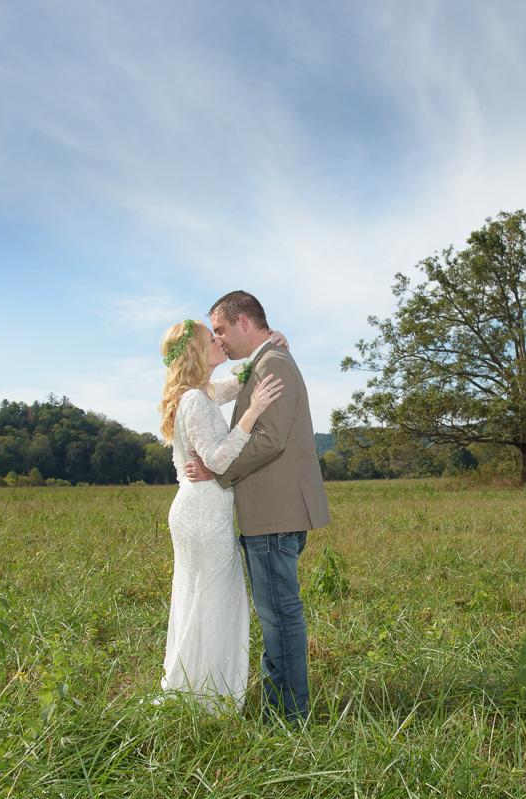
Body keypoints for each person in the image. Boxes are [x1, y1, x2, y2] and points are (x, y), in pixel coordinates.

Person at [185, 290, 331, 725]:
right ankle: (282, 707)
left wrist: (219, 473)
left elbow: (270, 440)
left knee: (279, 615)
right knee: (277, 613)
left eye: (222, 329)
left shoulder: (274, 364)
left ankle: (288, 717)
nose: (220, 339)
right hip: (271, 510)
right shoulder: (265, 362)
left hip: (273, 512)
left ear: (244, 322)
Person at [154, 317, 285, 712]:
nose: (220, 342)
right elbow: (214, 458)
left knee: (204, 601)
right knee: (215, 602)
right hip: (203, 514)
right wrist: (253, 413)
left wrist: (269, 345)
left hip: (201, 511)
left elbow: (236, 382)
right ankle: (208, 702)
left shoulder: (202, 393)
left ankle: (196, 693)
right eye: (212, 338)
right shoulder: (194, 400)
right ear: (196, 350)